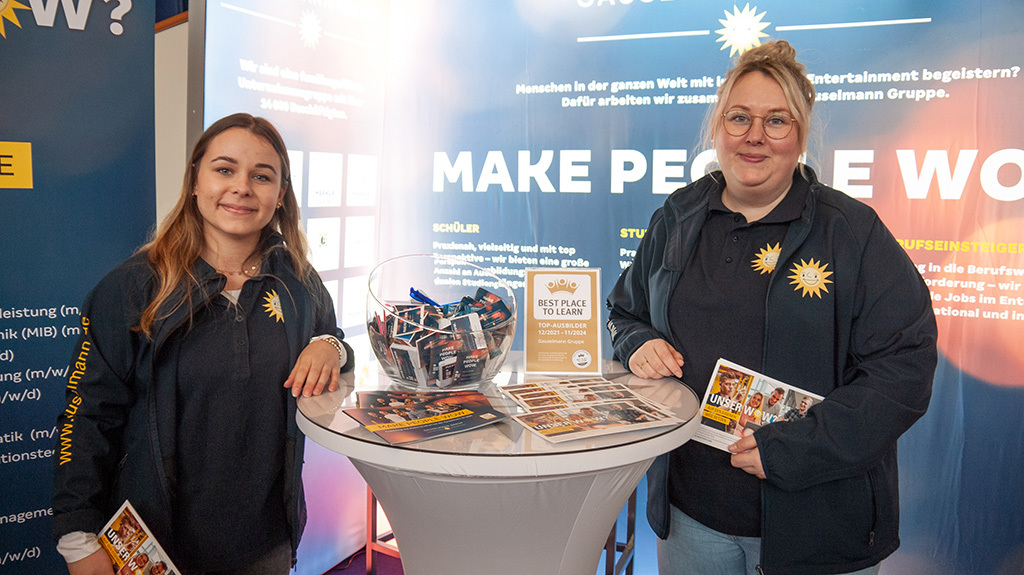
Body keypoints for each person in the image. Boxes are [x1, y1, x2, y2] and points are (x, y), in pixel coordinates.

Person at [606, 40, 937, 575]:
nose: (754, 135)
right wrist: (637, 342)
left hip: (817, 523)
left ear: (800, 136)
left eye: (776, 121)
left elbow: (905, 369)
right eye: (739, 117)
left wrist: (797, 448)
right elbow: (626, 311)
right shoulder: (677, 216)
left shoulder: (852, 233)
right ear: (717, 129)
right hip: (692, 518)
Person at [52, 113, 355, 575]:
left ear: (280, 195)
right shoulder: (132, 288)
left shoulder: (298, 280)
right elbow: (87, 415)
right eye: (225, 169)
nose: (242, 188)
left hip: (267, 545)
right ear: (196, 181)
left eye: (262, 176)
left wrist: (330, 346)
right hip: (156, 550)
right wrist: (78, 537)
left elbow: (334, 342)